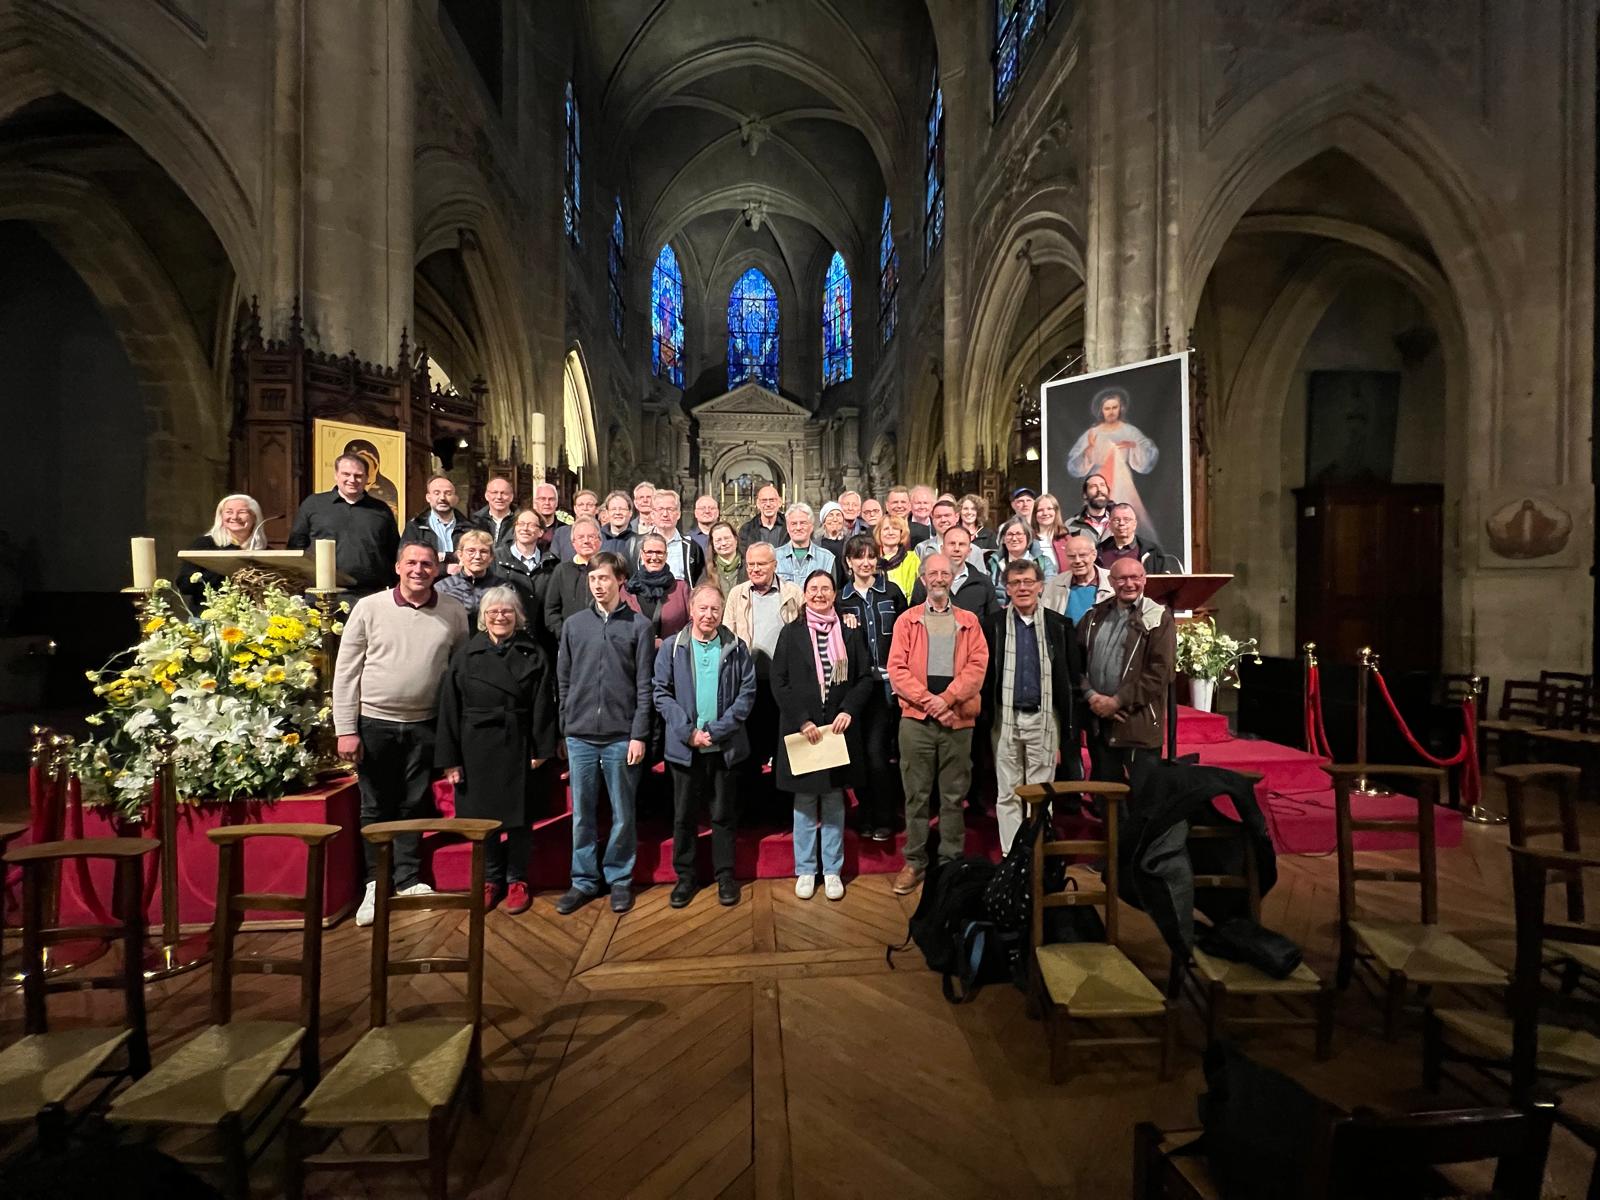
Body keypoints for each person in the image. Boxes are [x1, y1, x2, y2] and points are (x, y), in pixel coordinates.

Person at [333, 542, 469, 925]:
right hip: (374, 722)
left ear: (437, 570)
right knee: (375, 805)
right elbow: (346, 671)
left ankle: (408, 877)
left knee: (414, 802)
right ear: (397, 567)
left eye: (427, 564)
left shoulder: (453, 611)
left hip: (426, 723)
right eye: (411, 562)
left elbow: (458, 671)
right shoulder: (369, 608)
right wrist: (345, 729)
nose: (418, 570)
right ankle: (375, 882)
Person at [435, 586, 557, 915]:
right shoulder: (465, 655)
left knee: (520, 819)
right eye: (493, 611)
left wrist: (541, 747)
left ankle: (517, 879)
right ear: (483, 617)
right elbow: (449, 708)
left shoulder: (533, 653)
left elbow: (544, 705)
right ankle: (491, 879)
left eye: (507, 611)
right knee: (483, 820)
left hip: (519, 744)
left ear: (518, 616)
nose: (500, 616)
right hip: (475, 748)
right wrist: (450, 760)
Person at [555, 551, 654, 915]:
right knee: (582, 814)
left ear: (620, 580)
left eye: (605, 578)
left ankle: (619, 878)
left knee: (622, 812)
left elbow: (645, 685)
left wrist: (639, 733)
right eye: (593, 579)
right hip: (580, 735)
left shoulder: (640, 626)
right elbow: (563, 680)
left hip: (621, 736)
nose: (598, 585)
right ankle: (583, 880)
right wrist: (566, 725)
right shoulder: (574, 625)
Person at [886, 554, 989, 894]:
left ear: (953, 576)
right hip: (916, 721)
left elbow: (977, 668)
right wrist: (930, 702)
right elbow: (897, 670)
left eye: (945, 573)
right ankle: (915, 861)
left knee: (953, 796)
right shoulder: (907, 620)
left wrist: (947, 699)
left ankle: (950, 862)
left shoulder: (970, 622)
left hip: (958, 720)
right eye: (933, 573)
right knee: (916, 796)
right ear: (923, 578)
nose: (939, 578)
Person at [652, 585, 757, 908]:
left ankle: (725, 875)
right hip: (685, 749)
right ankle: (685, 878)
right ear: (691, 610)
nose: (709, 615)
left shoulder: (736, 647)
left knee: (723, 815)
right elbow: (661, 693)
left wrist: (716, 731)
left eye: (715, 609)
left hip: (724, 748)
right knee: (683, 816)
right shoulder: (672, 647)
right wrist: (688, 733)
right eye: (703, 608)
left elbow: (747, 694)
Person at [774, 570, 873, 901]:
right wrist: (801, 720)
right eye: (813, 589)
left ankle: (832, 870)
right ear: (805, 595)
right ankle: (805, 869)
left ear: (834, 594)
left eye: (826, 588)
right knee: (804, 802)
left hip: (837, 730)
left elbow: (864, 678)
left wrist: (848, 709)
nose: (819, 594)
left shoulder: (850, 632)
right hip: (805, 730)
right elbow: (780, 682)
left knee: (833, 800)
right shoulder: (791, 633)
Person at [983, 560, 1077, 851]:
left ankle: (1036, 854)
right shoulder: (993, 625)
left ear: (1040, 586)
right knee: (1008, 793)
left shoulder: (1058, 626)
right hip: (1005, 719)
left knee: (1040, 794)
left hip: (1043, 719)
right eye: (1015, 583)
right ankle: (1011, 856)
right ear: (1007, 589)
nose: (1022, 588)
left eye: (1028, 582)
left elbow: (1070, 677)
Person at [835, 533, 907, 842]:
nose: (866, 562)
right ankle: (865, 814)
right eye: (859, 557)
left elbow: (907, 634)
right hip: (860, 687)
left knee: (882, 753)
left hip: (892, 682)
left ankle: (886, 815)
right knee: (862, 754)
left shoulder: (892, 592)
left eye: (870, 556)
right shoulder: (840, 599)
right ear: (849, 562)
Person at [1078, 557, 1175, 782]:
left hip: (1137, 722)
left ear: (1144, 580)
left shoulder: (1158, 617)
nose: (1129, 584)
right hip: (1099, 721)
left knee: (1143, 794)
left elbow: (1160, 671)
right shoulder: (1094, 616)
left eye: (1135, 577)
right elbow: (1075, 662)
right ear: (1111, 581)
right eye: (1121, 578)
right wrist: (1092, 697)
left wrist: (1117, 701)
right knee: (1105, 792)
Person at [724, 542, 804, 811]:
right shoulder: (737, 594)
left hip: (783, 683)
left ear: (775, 565)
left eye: (761, 564)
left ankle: (781, 808)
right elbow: (726, 636)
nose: (755, 569)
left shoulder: (793, 593)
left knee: (782, 745)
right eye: (751, 564)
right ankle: (751, 809)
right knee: (750, 746)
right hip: (747, 683)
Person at [287, 452, 400, 595]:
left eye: (358, 475)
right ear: (336, 475)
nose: (352, 480)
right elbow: (297, 546)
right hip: (321, 592)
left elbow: (394, 550)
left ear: (367, 478)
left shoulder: (381, 510)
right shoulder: (314, 504)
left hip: (370, 593)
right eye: (346, 474)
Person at [1066, 385, 1160, 539]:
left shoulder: (1129, 431)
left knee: (1122, 518)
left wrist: (1133, 446)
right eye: (1107, 408)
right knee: (1095, 517)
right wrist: (1089, 449)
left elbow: (1148, 453)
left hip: (1122, 480)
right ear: (1101, 410)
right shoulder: (1093, 433)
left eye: (1114, 407)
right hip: (1098, 478)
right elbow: (1074, 463)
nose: (1111, 412)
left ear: (1120, 408)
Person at [182, 493, 268, 605]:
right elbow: (184, 585)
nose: (235, 517)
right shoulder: (204, 545)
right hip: (211, 611)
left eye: (242, 512)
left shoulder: (265, 550)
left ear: (255, 517)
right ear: (221, 517)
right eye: (229, 512)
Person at [496, 509, 557, 636]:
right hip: (507, 635)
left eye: (531, 525)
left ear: (541, 532)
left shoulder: (552, 564)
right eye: (521, 524)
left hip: (543, 637)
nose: (525, 528)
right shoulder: (496, 559)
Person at [623, 532, 691, 645]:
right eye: (649, 552)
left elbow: (692, 623)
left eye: (659, 553)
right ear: (642, 554)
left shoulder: (681, 589)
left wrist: (669, 644)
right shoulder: (628, 590)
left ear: (666, 555)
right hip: (634, 653)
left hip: (671, 652)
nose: (654, 557)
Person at [544, 518, 604, 638]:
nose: (586, 541)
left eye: (591, 536)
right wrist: (564, 634)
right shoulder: (562, 570)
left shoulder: (609, 568)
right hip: (570, 640)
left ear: (600, 541)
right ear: (573, 543)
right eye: (581, 537)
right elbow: (551, 609)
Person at [403, 475, 472, 567]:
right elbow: (408, 561)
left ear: (456, 498)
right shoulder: (416, 526)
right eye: (437, 493)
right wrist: (445, 568)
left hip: (462, 576)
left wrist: (441, 556)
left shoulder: (469, 528)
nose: (442, 498)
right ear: (428, 498)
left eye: (448, 493)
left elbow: (473, 559)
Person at [1042, 533, 1112, 624]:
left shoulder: (1112, 580)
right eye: (1072, 556)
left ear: (1094, 555)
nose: (1077, 561)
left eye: (1082, 555)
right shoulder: (1055, 585)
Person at [639, 490, 704, 585]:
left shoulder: (692, 547)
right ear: (652, 514)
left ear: (678, 514)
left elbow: (699, 581)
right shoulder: (638, 544)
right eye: (660, 509)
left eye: (670, 509)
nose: (665, 514)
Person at [988, 516, 1057, 604]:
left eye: (1019, 534)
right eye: (1010, 534)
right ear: (1003, 539)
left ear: (1028, 538)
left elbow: (1050, 592)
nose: (1014, 538)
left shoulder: (1044, 562)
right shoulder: (993, 563)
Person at [435, 529, 500, 623]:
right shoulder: (443, 588)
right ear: (460, 555)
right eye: (471, 551)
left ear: (491, 557)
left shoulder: (502, 587)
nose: (477, 556)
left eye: (483, 551)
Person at [940, 525, 1000, 623]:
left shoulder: (984, 583)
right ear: (942, 549)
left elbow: (994, 623)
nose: (956, 549)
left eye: (962, 544)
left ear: (969, 551)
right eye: (952, 543)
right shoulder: (926, 582)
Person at [774, 502, 836, 586]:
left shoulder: (827, 558)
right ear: (788, 528)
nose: (798, 528)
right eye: (794, 524)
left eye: (803, 523)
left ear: (811, 527)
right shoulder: (774, 557)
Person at [1096, 502, 1168, 572]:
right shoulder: (1099, 552)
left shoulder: (1152, 552)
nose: (1121, 523)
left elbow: (1162, 579)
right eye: (1116, 520)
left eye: (1126, 519)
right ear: (1110, 525)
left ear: (1135, 524)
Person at [875, 513, 921, 601]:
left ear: (901, 533)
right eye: (886, 529)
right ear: (879, 533)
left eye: (895, 528)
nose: (890, 532)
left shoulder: (912, 559)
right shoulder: (872, 561)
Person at [549, 489, 599, 561]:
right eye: (581, 505)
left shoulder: (604, 534)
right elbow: (553, 561)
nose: (585, 508)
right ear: (575, 509)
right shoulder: (561, 533)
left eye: (590, 505)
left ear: (597, 509)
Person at [471, 476, 517, 552]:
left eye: (504, 493)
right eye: (494, 492)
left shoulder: (520, 521)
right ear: (486, 496)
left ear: (511, 497)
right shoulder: (475, 521)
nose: (499, 497)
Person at [738, 483, 788, 549]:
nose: (768, 504)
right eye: (764, 501)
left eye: (772, 500)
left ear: (780, 502)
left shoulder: (790, 526)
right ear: (758, 504)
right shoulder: (746, 529)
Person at [1067, 473, 1114, 543]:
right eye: (1093, 486)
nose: (1099, 489)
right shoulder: (1070, 525)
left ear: (1108, 492)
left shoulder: (1120, 521)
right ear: (1085, 495)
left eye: (1102, 485)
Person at [1032, 492, 1071, 574]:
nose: (1045, 513)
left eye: (1049, 509)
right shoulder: (1029, 540)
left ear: (1056, 511)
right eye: (1040, 510)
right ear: (1034, 514)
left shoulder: (1067, 540)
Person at [707, 520, 744, 592]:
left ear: (736, 539)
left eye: (727, 538)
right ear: (712, 544)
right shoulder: (707, 572)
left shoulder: (749, 566)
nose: (723, 543)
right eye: (718, 540)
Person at [600, 491, 636, 562]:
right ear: (607, 513)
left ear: (630, 513)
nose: (618, 512)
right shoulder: (597, 539)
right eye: (613, 509)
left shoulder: (638, 541)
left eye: (622, 509)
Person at [530, 482, 566, 554]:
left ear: (556, 503)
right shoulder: (526, 529)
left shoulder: (565, 531)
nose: (547, 503)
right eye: (542, 499)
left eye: (551, 499)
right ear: (535, 503)